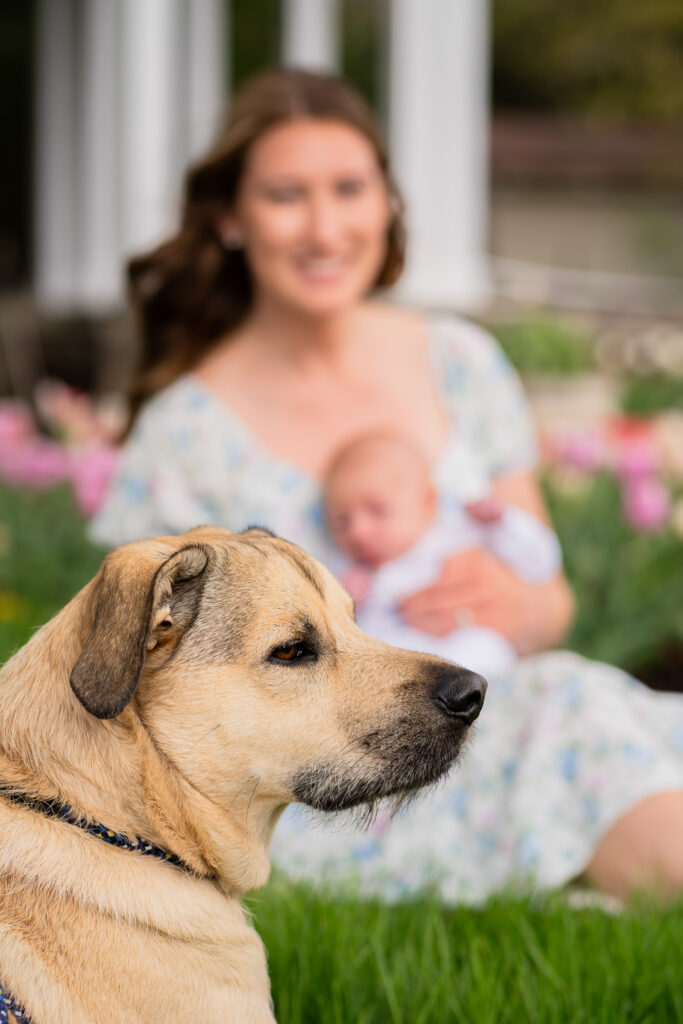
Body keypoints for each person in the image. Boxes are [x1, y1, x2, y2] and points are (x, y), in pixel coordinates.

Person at [91, 68, 683, 903]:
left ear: (385, 205)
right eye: (287, 195)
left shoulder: (459, 362)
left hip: (487, 702)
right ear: (229, 219)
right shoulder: (184, 434)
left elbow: (550, 605)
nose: (325, 227)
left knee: (587, 700)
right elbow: (159, 699)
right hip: (343, 785)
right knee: (570, 716)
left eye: (349, 189)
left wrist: (517, 603)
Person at [322, 431, 562, 677]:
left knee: (483, 650)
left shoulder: (459, 530)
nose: (358, 532)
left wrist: (502, 523)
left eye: (378, 510)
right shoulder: (356, 573)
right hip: (404, 662)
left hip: (469, 651)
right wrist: (349, 601)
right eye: (342, 522)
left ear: (428, 501)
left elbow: (542, 562)